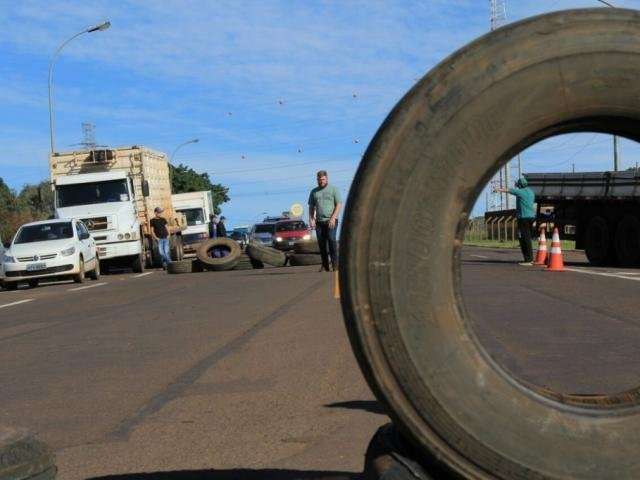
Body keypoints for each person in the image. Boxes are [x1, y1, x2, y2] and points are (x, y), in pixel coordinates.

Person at [495, 177, 536, 265]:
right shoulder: (531, 192)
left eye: (518, 185)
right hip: (531, 217)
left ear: (520, 185)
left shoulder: (520, 192)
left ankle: (528, 260)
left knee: (523, 239)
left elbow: (509, 190)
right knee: (527, 238)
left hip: (523, 218)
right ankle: (529, 258)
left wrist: (498, 189)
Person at [308, 170, 342, 271]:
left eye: (323, 179)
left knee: (331, 240)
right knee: (321, 244)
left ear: (327, 178)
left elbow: (339, 204)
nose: (321, 181)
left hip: (331, 221)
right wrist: (311, 219)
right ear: (317, 180)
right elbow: (311, 206)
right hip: (319, 222)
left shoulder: (333, 189)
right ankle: (325, 265)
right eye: (319, 180)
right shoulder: (314, 192)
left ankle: (335, 265)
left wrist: (333, 218)